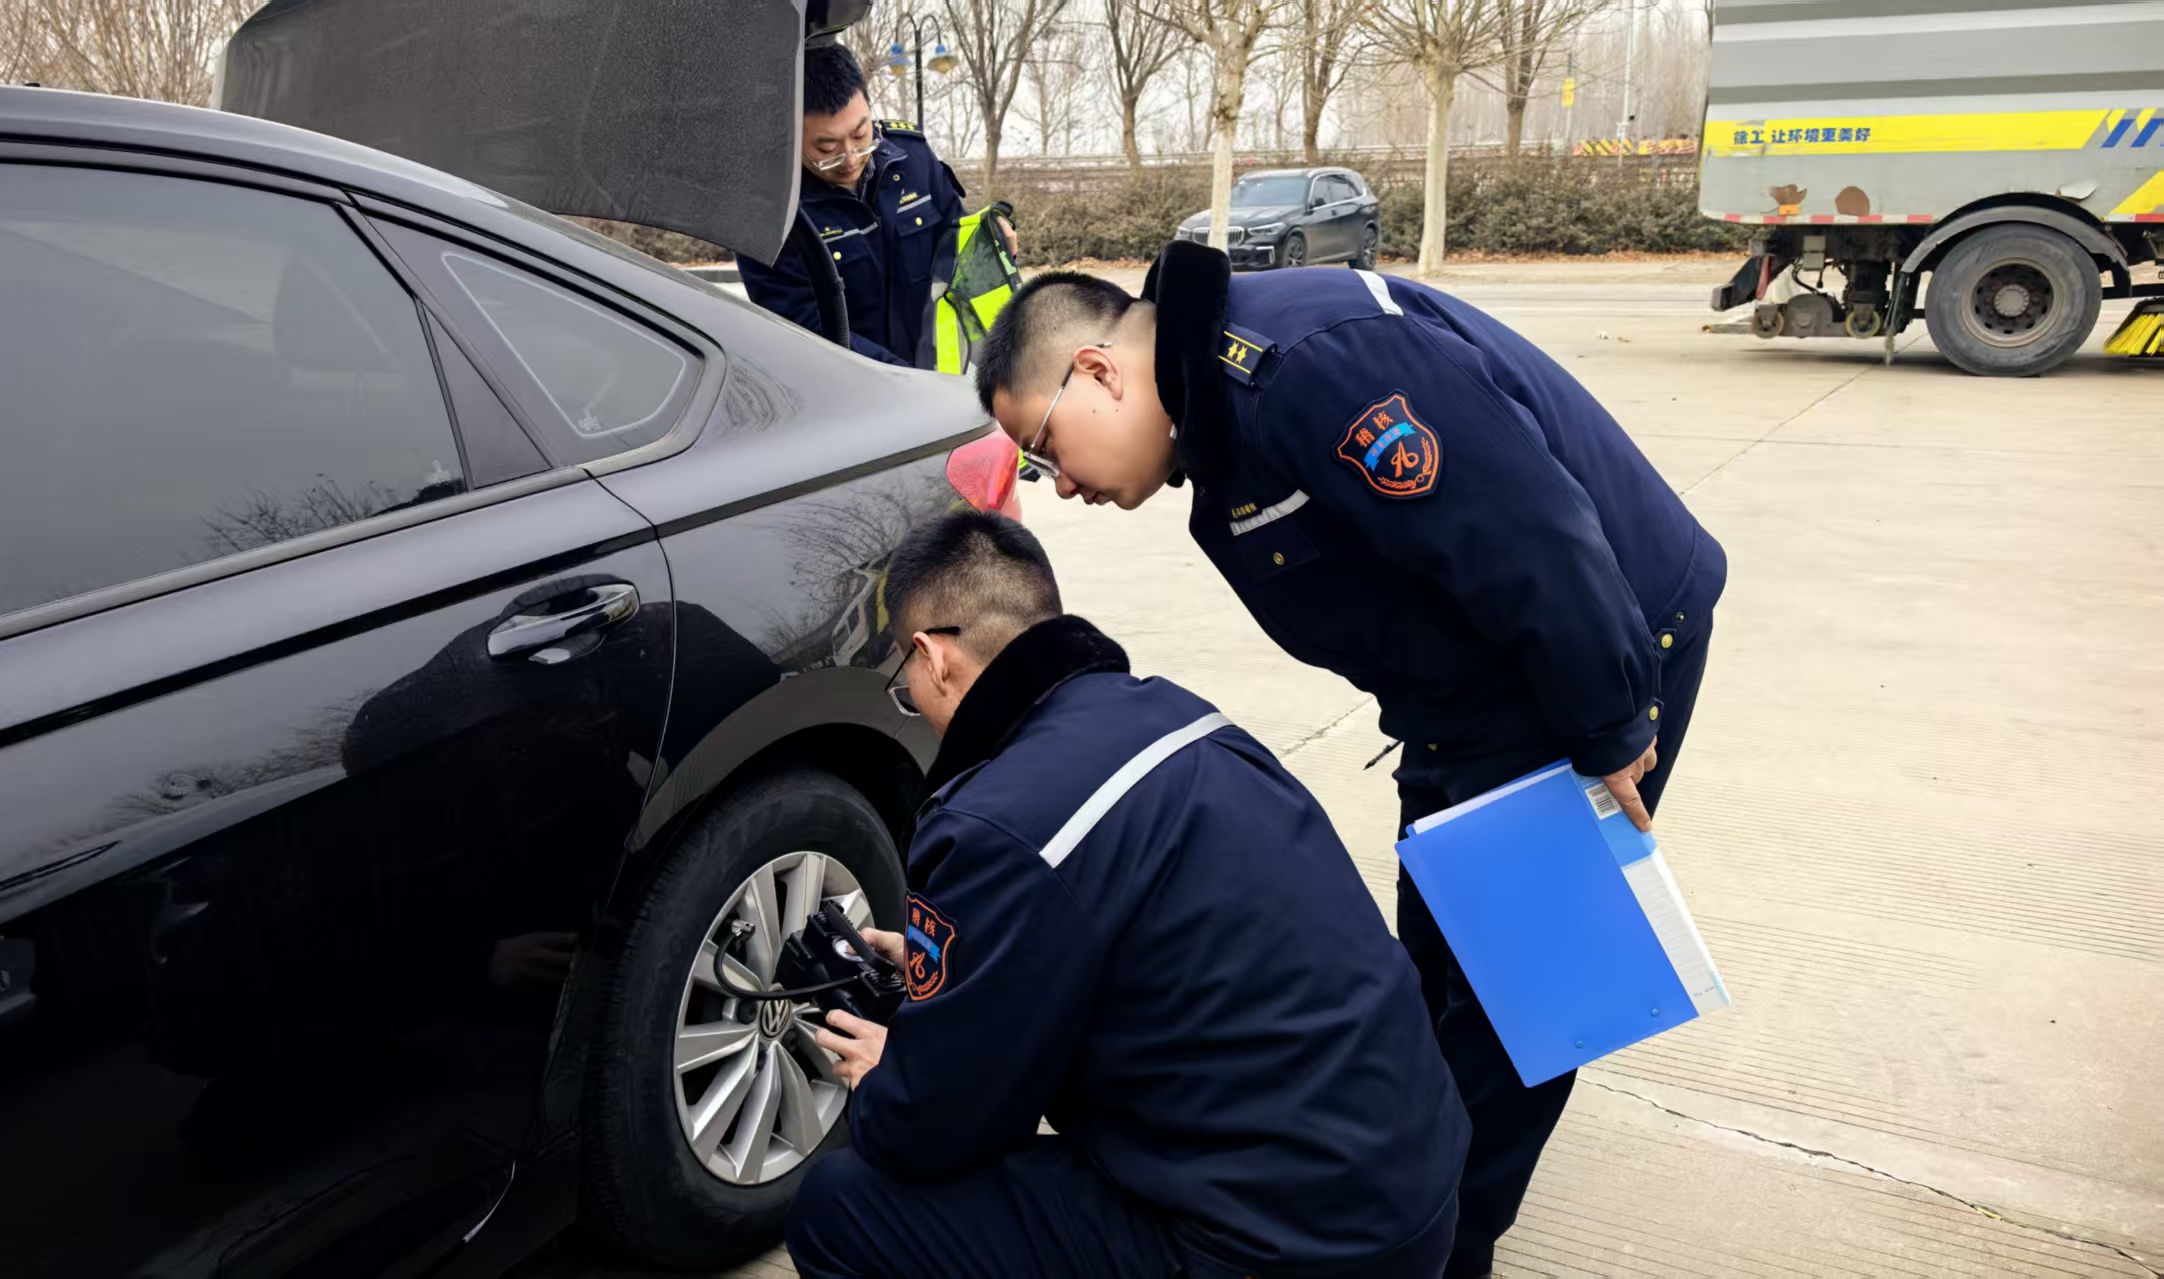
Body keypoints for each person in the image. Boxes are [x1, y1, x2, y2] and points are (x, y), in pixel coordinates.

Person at [971, 243, 1727, 1277]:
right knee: (1429, 975)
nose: (1057, 486)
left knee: (1528, 1002)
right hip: (1468, 696)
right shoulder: (1217, 429)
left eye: (1043, 448)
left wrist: (1610, 727)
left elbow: (1531, 540)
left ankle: (1447, 1249)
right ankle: (1407, 1213)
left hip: (1591, 651)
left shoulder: (1306, 365)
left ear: (1097, 371)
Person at [786, 510, 1469, 1279]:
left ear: (933, 657)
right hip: (1418, 1191)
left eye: (906, 687)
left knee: (841, 1207)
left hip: (1281, 1248)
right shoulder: (1178, 717)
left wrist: (893, 1076)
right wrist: (968, 964)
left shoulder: (998, 824)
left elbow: (932, 1132)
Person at [737, 44, 971, 369]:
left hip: (939, 372)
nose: (850, 159)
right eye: (827, 147)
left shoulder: (913, 158)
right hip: (850, 385)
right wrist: (902, 380)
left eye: (860, 134)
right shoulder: (769, 210)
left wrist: (992, 237)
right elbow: (800, 324)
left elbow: (957, 241)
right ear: (790, 133)